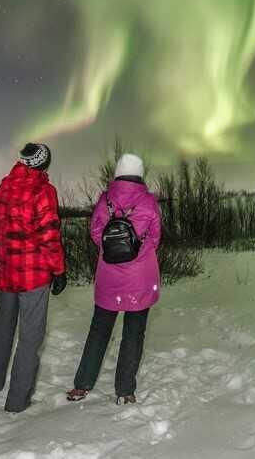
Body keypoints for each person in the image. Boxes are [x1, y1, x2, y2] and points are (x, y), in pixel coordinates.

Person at [0, 142, 67, 413]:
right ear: (42, 164)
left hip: (7, 274)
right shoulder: (43, 191)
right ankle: (17, 402)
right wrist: (59, 270)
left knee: (1, 330)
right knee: (30, 338)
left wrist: (4, 256)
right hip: (33, 277)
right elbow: (49, 235)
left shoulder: (4, 187)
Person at [67, 152, 161, 404]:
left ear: (118, 172)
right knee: (134, 332)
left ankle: (82, 385)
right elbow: (155, 238)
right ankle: (125, 390)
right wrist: (136, 252)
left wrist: (113, 250)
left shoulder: (104, 200)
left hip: (109, 277)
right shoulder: (149, 202)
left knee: (99, 330)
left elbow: (96, 234)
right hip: (140, 278)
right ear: (140, 174)